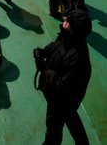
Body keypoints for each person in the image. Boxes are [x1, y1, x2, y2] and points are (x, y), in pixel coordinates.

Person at [33, 9, 92, 144]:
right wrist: (44, 51)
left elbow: (62, 88)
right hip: (66, 100)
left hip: (60, 100)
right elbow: (56, 45)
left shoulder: (78, 59)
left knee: (53, 126)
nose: (64, 20)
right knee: (71, 117)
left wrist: (45, 70)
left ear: (74, 28)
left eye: (67, 20)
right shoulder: (68, 37)